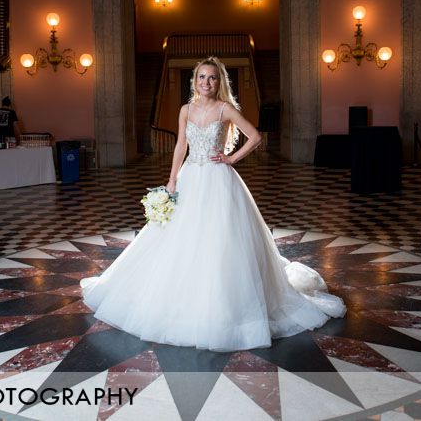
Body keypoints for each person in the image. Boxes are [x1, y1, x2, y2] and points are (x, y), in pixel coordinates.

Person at [81, 56, 345, 352]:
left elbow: (255, 136)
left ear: (220, 82)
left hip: (219, 180)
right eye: (201, 77)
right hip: (191, 176)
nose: (206, 83)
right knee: (180, 238)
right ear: (194, 81)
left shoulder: (225, 109)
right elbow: (181, 144)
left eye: (212, 78)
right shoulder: (185, 110)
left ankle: (224, 305)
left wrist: (231, 158)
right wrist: (172, 180)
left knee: (221, 239)